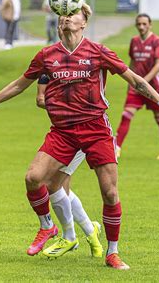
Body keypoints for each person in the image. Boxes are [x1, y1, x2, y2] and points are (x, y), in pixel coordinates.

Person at [0, 4, 159, 270]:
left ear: (84, 22)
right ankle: (48, 227)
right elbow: (19, 84)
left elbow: (135, 80)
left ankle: (113, 252)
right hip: (62, 132)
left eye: (73, 14)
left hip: (95, 128)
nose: (66, 17)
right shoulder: (47, 55)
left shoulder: (98, 52)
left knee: (109, 193)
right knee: (33, 178)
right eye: (62, 14)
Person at [24, 72, 103, 259]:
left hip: (83, 132)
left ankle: (70, 236)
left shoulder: (86, 69)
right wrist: (60, 103)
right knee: (56, 186)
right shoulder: (50, 70)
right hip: (63, 133)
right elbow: (40, 99)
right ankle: (90, 232)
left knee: (53, 185)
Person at [115, 14, 159, 160]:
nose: (141, 27)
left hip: (153, 87)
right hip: (136, 87)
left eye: (144, 24)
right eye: (139, 24)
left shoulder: (156, 41)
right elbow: (132, 62)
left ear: (150, 25)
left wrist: (144, 81)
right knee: (126, 114)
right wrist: (131, 81)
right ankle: (117, 148)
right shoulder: (134, 41)